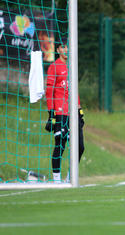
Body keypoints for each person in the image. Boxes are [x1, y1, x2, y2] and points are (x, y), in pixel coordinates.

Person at [45, 38, 85, 183]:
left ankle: (70, 177)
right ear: (58, 50)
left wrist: (80, 111)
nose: (66, 49)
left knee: (80, 147)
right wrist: (51, 115)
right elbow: (49, 92)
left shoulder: (72, 67)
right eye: (63, 47)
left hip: (73, 113)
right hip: (61, 113)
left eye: (68, 46)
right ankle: (56, 179)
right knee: (60, 144)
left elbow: (74, 91)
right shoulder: (54, 67)